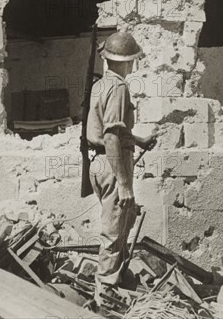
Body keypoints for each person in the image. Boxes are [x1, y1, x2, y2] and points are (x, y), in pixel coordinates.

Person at [86, 31, 156, 308]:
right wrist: (124, 183)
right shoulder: (119, 88)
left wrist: (138, 140)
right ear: (129, 62)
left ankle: (116, 282)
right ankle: (105, 297)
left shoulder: (101, 85)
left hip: (101, 161)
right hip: (113, 163)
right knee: (114, 233)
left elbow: (107, 130)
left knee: (121, 226)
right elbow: (112, 135)